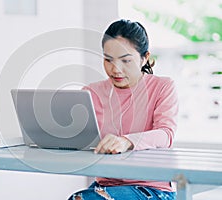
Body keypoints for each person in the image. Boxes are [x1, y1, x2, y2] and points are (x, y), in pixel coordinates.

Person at [68, 19, 178, 200]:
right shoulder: (92, 93)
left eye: (126, 60)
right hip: (106, 185)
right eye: (108, 60)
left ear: (145, 57)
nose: (116, 69)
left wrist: (126, 141)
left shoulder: (162, 87)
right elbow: (82, 138)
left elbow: (166, 134)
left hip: (152, 188)